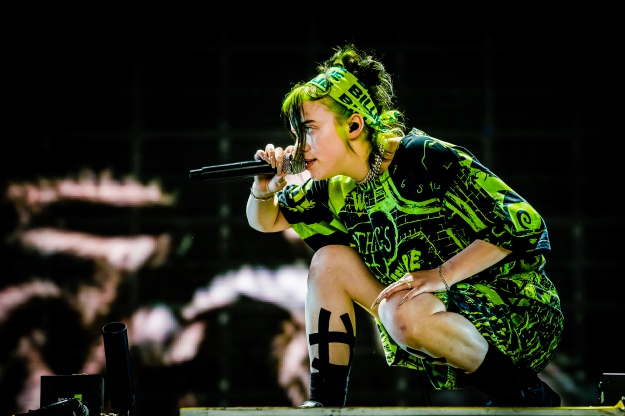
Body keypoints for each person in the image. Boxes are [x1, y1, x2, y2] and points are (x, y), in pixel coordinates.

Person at [246, 43, 563, 408]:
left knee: (402, 311)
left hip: (517, 311)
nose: (299, 147)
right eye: (296, 135)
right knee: (330, 261)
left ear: (354, 125)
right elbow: (266, 220)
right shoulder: (334, 187)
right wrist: (263, 190)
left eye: (309, 130)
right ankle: (326, 404)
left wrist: (441, 275)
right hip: (426, 311)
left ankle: (522, 390)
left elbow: (523, 225)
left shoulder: (424, 157)